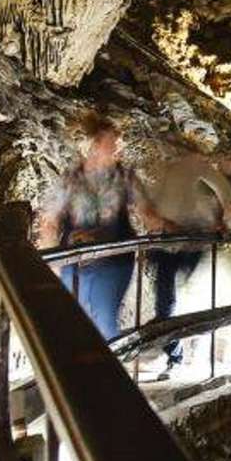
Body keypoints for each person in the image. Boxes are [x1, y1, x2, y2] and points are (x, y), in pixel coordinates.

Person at [35, 113, 153, 341]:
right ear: (96, 145)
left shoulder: (125, 177)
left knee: (104, 318)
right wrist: (53, 262)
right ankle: (73, 373)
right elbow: (49, 221)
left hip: (114, 260)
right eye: (114, 143)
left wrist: (167, 227)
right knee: (71, 320)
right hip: (74, 260)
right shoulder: (71, 179)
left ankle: (105, 373)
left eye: (120, 143)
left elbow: (147, 212)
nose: (119, 148)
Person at [143, 150, 231, 378]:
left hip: (182, 244)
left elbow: (227, 204)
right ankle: (170, 349)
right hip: (178, 243)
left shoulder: (180, 172)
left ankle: (172, 349)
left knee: (172, 300)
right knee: (170, 301)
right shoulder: (190, 172)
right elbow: (228, 203)